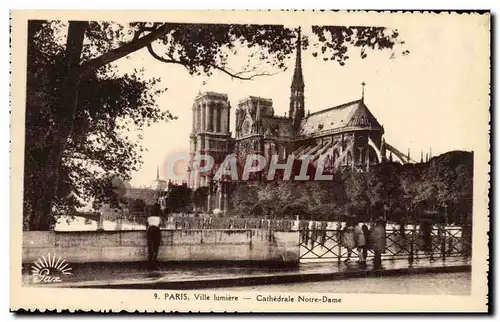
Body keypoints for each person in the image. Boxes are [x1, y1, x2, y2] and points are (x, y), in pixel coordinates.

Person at [146, 203, 162, 267]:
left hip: (150, 231)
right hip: (156, 230)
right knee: (156, 246)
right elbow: (160, 225)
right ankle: (154, 260)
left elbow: (146, 226)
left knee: (150, 246)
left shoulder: (149, 218)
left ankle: (149, 260)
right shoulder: (159, 218)